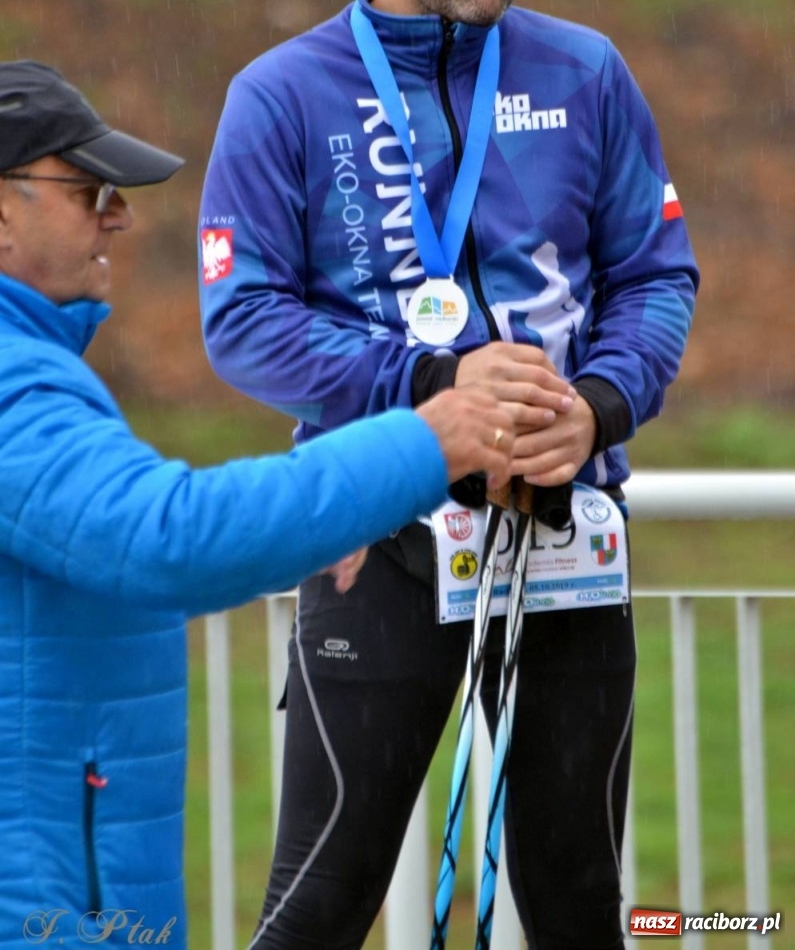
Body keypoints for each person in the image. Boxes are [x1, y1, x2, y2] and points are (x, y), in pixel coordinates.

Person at [199, 0, 699, 950]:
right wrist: (430, 389)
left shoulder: (586, 71)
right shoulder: (282, 92)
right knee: (319, 907)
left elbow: (656, 275)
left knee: (579, 912)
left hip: (563, 536)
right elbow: (245, 321)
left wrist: (600, 406)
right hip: (375, 537)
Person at [0, 59, 515, 949]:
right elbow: (168, 537)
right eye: (88, 192)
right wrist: (427, 442)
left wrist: (334, 512)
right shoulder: (13, 382)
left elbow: (125, 527)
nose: (119, 215)